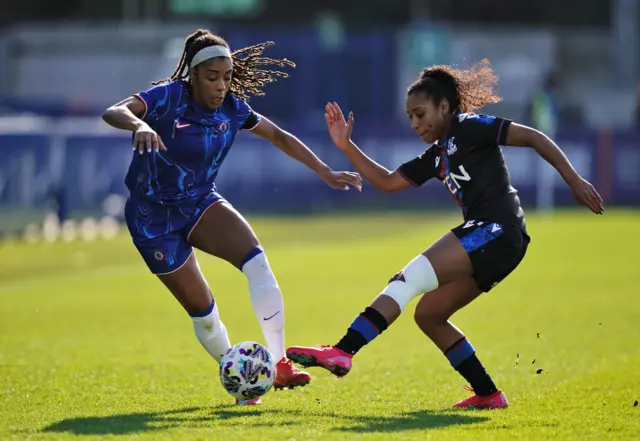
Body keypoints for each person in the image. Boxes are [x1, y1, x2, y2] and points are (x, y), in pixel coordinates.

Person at [286, 59, 604, 409]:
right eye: (410, 117)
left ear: (445, 106)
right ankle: (489, 395)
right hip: (499, 241)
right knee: (430, 315)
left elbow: (532, 136)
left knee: (406, 280)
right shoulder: (436, 155)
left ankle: (342, 350)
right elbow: (388, 182)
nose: (415, 123)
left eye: (421, 114)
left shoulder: (469, 127)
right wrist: (346, 147)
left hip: (496, 229)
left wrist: (574, 180)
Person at [102, 29, 362, 406]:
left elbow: (280, 136)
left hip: (200, 204)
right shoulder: (168, 98)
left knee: (258, 263)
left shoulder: (233, 109)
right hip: (151, 219)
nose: (221, 86)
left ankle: (280, 363)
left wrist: (324, 171)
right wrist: (140, 124)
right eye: (212, 77)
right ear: (192, 75)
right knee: (204, 313)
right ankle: (242, 379)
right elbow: (114, 111)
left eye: (226, 77)